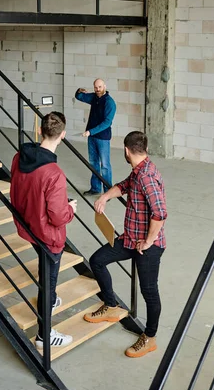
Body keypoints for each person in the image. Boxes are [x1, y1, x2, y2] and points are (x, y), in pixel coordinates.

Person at [84, 131, 167, 358]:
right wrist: (104, 197)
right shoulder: (139, 170)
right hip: (130, 240)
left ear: (126, 150)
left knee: (149, 291)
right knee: (97, 261)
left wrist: (148, 241)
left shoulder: (147, 176)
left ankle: (149, 337)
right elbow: (124, 185)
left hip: (147, 246)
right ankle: (110, 306)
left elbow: (160, 213)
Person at [10, 111, 77, 349]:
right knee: (48, 281)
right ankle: (44, 335)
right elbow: (58, 217)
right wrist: (70, 209)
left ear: (40, 131)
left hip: (28, 225)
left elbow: (20, 187)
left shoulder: (19, 157)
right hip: (47, 235)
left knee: (44, 271)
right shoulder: (54, 174)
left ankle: (50, 298)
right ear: (63, 136)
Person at [75, 78, 116, 196]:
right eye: (96, 87)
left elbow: (107, 122)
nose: (98, 89)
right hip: (92, 137)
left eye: (100, 87)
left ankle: (108, 192)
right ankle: (95, 188)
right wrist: (79, 91)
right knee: (93, 163)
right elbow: (80, 97)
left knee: (105, 166)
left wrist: (90, 132)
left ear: (105, 86)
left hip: (102, 138)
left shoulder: (109, 102)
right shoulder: (94, 97)